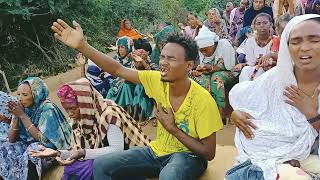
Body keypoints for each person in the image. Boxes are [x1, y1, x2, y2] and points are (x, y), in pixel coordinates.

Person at [51, 19, 223, 179]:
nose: (163, 62)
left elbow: (209, 153)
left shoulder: (203, 101)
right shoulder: (157, 80)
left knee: (169, 176)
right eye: (162, 56)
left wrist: (173, 128)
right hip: (157, 151)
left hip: (188, 156)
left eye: (171, 59)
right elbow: (117, 69)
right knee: (103, 164)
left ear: (189, 65)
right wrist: (83, 46)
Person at [226, 14, 320, 180]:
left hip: (309, 156)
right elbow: (246, 98)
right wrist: (236, 114)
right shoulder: (277, 78)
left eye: (314, 40)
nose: (304, 48)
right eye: (296, 41)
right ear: (287, 46)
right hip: (273, 155)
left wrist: (312, 116)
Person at [31, 78, 150, 180]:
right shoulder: (80, 120)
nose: (70, 114)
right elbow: (78, 151)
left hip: (133, 160)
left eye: (73, 108)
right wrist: (58, 153)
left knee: (89, 167)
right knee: (74, 167)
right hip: (109, 162)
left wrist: (82, 153)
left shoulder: (108, 113)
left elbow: (117, 150)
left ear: (84, 103)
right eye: (67, 110)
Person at [0, 77, 72, 180]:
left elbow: (45, 141)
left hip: (54, 150)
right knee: (5, 148)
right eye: (18, 94)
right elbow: (11, 139)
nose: (20, 98)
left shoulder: (47, 109)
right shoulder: (25, 109)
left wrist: (22, 116)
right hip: (30, 145)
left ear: (36, 94)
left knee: (33, 149)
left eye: (25, 95)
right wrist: (16, 116)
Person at [192, 26, 237, 116]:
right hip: (211, 73)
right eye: (201, 51)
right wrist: (200, 71)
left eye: (205, 50)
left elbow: (230, 67)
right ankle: (207, 111)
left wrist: (211, 68)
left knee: (216, 78)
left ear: (212, 44)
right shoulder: (202, 51)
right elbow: (205, 68)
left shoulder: (224, 45)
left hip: (230, 73)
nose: (203, 53)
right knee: (199, 79)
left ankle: (221, 112)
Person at [234, 13, 274, 82]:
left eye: (265, 23)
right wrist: (242, 65)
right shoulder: (250, 42)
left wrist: (270, 63)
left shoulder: (275, 41)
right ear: (254, 27)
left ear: (270, 24)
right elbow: (251, 63)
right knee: (246, 70)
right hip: (254, 70)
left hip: (271, 71)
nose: (262, 25)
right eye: (258, 24)